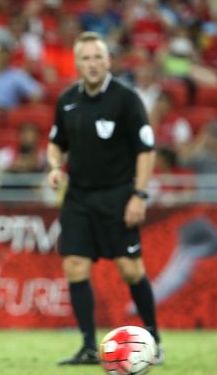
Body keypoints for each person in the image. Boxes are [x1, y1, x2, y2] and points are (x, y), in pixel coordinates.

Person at [46, 32, 163, 366]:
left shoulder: (126, 99)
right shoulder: (67, 100)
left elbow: (146, 150)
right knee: (75, 265)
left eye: (98, 57)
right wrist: (55, 166)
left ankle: (154, 338)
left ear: (108, 60)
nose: (92, 64)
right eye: (85, 58)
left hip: (118, 195)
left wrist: (139, 195)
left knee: (130, 269)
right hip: (79, 197)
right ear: (77, 63)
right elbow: (56, 142)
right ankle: (87, 346)